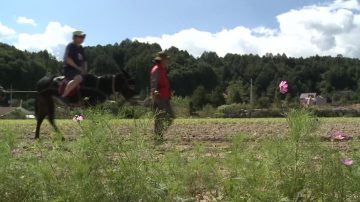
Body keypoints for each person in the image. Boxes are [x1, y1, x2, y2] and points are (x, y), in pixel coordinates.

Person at [150, 51, 174, 140]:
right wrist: (154, 93)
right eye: (166, 59)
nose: (168, 61)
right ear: (162, 60)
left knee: (169, 117)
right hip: (159, 97)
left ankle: (158, 135)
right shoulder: (156, 69)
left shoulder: (162, 69)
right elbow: (153, 83)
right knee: (161, 118)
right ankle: (158, 136)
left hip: (165, 97)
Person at [61, 31, 87, 103]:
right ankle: (64, 96)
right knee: (78, 78)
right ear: (75, 37)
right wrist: (78, 68)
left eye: (83, 37)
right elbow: (67, 59)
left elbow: (84, 61)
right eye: (81, 37)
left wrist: (84, 69)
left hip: (79, 71)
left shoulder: (81, 48)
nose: (83, 39)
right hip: (70, 70)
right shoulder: (71, 46)